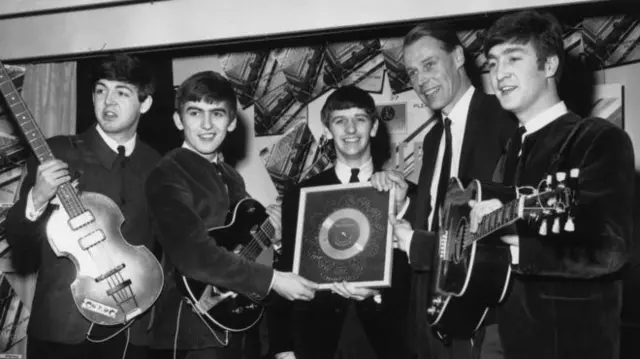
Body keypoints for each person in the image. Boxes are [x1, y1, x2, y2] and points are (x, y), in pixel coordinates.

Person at [467, 10, 634, 359]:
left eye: (514, 58)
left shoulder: (598, 138)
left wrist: (516, 241)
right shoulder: (511, 151)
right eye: (493, 63)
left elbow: (608, 249)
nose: (499, 74)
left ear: (550, 65)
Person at [145, 71, 319, 359]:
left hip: (237, 322)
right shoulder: (169, 173)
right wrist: (273, 280)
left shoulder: (231, 177)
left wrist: (271, 235)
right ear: (178, 120)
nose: (206, 125)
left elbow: (243, 244)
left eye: (217, 113)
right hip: (192, 331)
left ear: (232, 121)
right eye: (195, 113)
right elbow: (195, 257)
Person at [371, 22, 517, 359]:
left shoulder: (503, 118)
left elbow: (505, 220)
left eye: (429, 64)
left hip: (485, 314)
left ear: (458, 57)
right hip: (434, 309)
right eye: (411, 72)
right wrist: (406, 201)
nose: (421, 81)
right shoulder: (435, 138)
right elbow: (438, 216)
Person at [4, 54, 161, 359]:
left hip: (134, 330)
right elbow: (19, 241)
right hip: (62, 331)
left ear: (145, 104)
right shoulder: (56, 152)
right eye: (101, 90)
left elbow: (173, 247)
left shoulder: (159, 166)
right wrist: (37, 198)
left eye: (122, 92)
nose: (108, 102)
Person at [267, 85, 413, 359]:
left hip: (386, 339)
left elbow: (417, 274)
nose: (350, 129)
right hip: (317, 340)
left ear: (373, 128)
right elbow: (286, 268)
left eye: (359, 119)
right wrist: (282, 347)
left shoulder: (405, 192)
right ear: (327, 130)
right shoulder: (300, 196)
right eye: (339, 121)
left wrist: (378, 292)